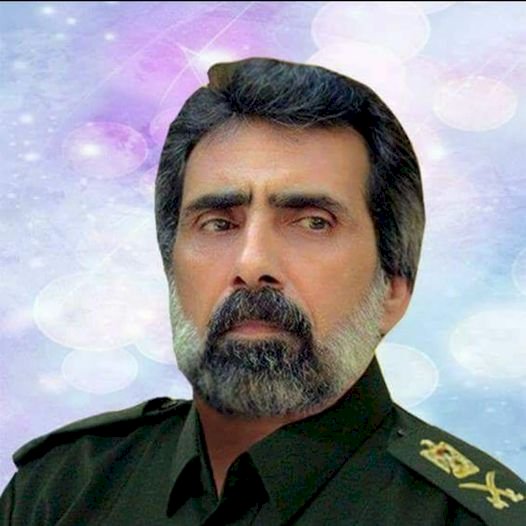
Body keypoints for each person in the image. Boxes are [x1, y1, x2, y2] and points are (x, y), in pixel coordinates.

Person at [1, 57, 524, 525]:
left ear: (393, 286)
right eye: (218, 223)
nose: (251, 264)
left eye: (313, 222)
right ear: (171, 268)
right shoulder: (57, 492)